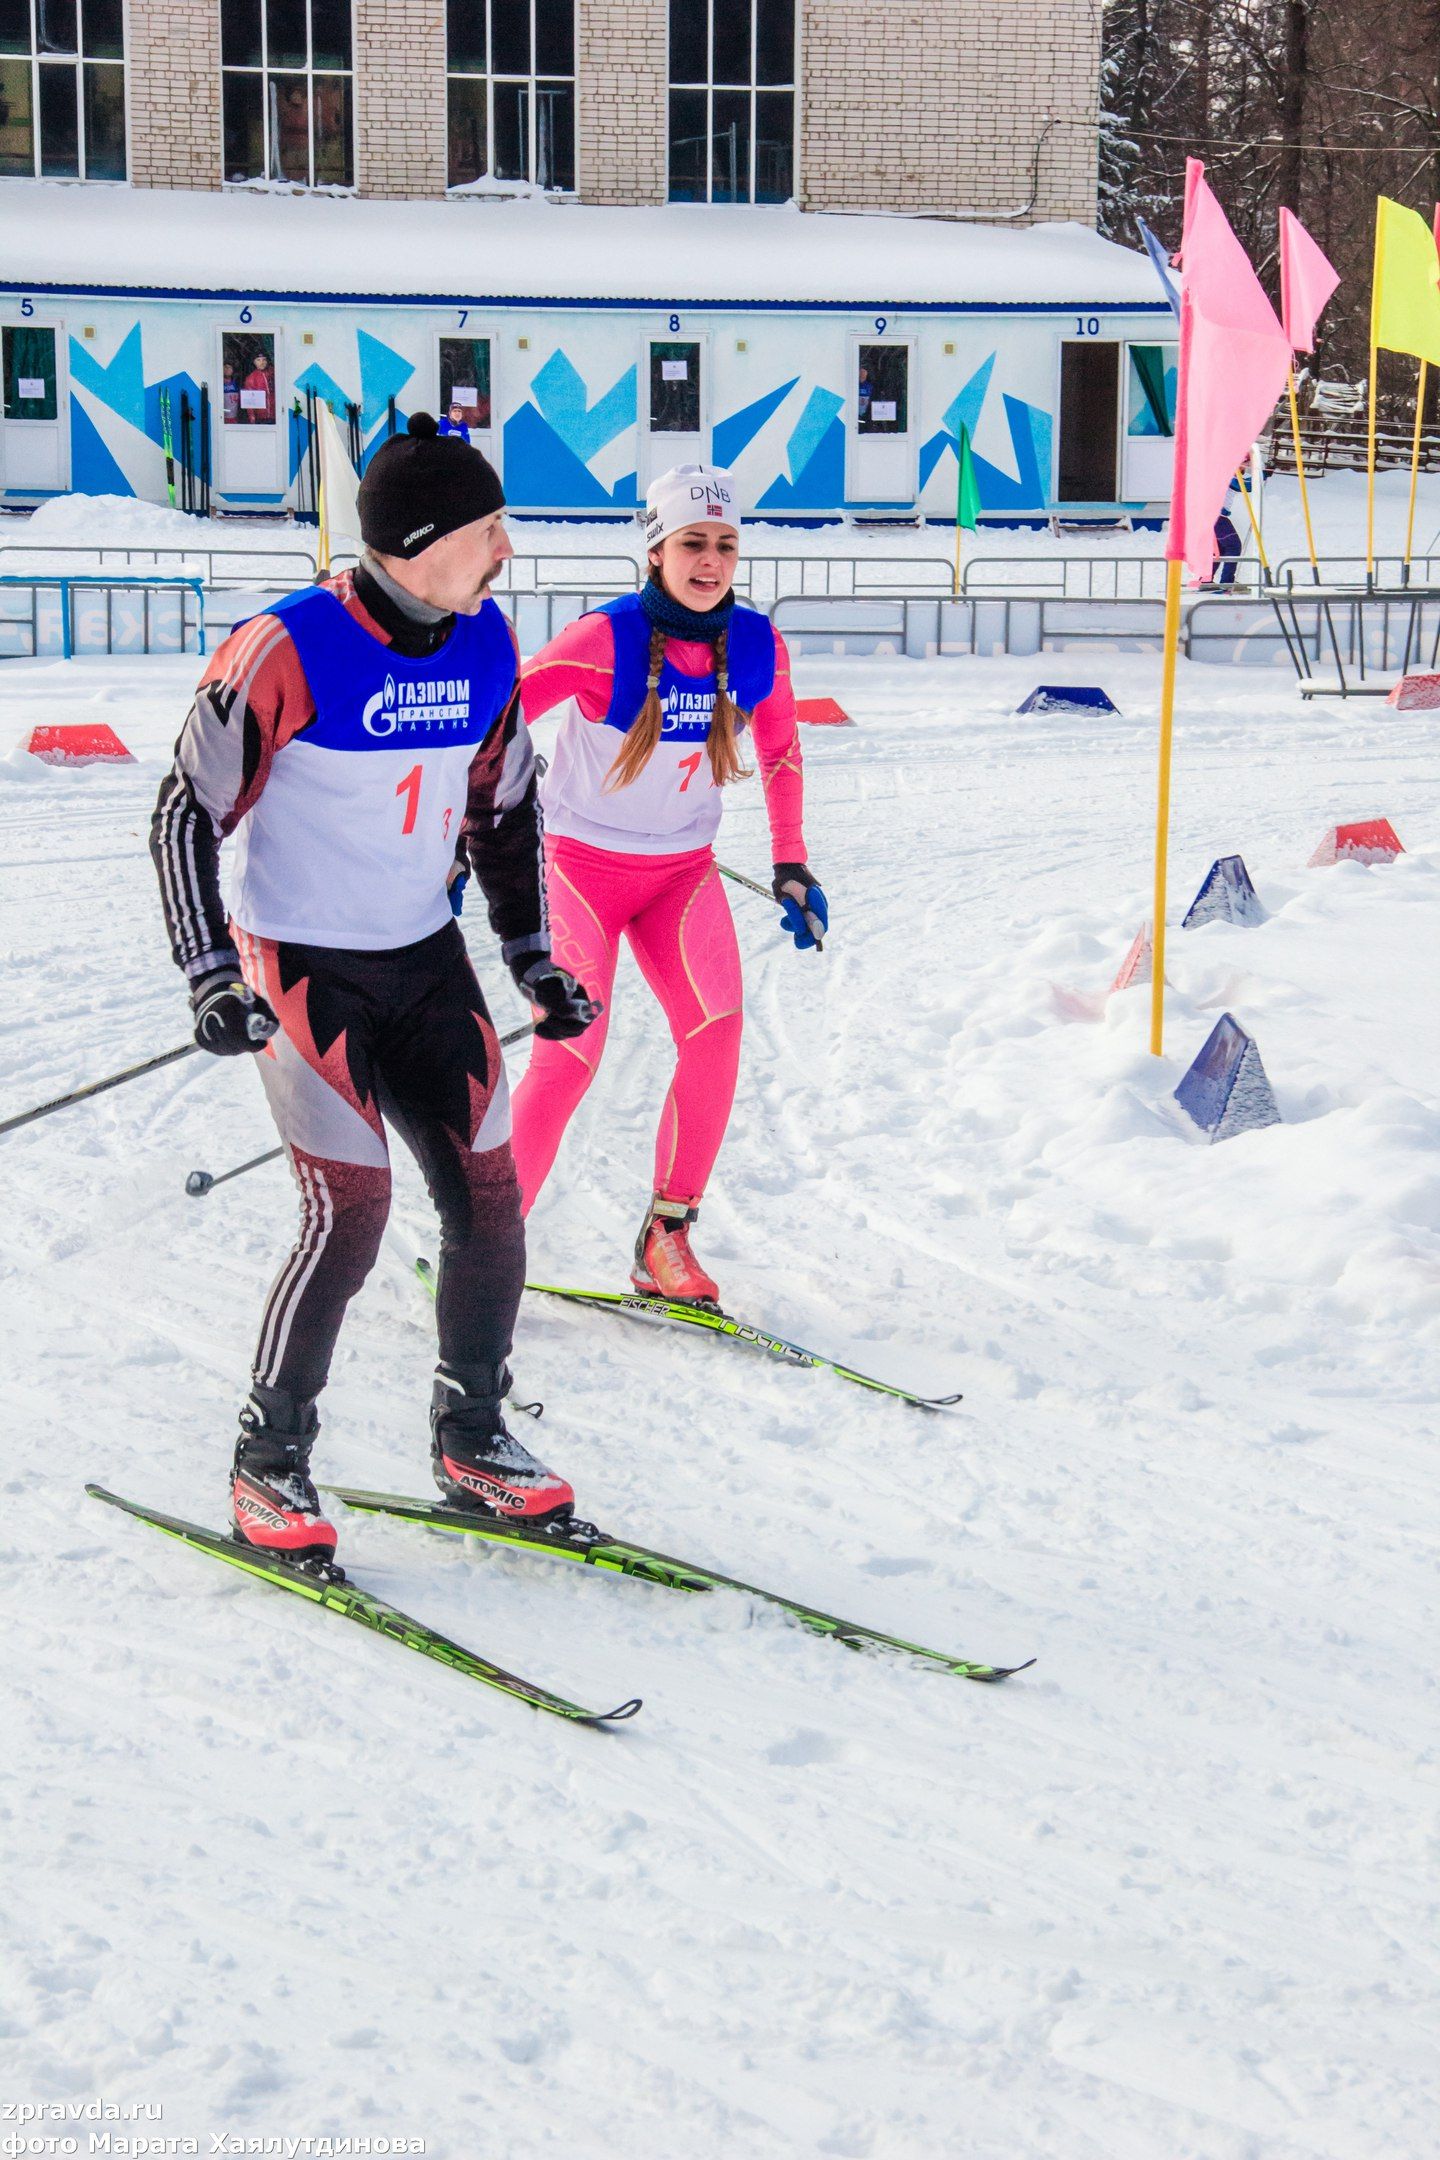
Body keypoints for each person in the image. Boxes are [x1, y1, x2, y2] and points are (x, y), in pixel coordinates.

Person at [149, 414, 597, 1569]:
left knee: (490, 1199)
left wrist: (532, 955)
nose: (508, 546)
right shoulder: (285, 647)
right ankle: (269, 1460)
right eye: (489, 526)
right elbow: (182, 812)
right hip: (300, 968)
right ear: (416, 540)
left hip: (423, 959)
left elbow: (503, 810)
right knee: (352, 1210)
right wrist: (208, 973)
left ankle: (472, 1438)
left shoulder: (488, 642)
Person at [511, 462, 826, 1306]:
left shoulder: (757, 643)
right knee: (571, 1053)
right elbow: (497, 719)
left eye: (725, 544)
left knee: (717, 1031)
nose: (711, 561)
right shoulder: (601, 638)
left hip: (679, 874)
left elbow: (782, 751)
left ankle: (666, 1236)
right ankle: (488, 1239)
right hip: (576, 866)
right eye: (693, 542)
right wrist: (460, 835)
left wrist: (791, 861)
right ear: (656, 550)